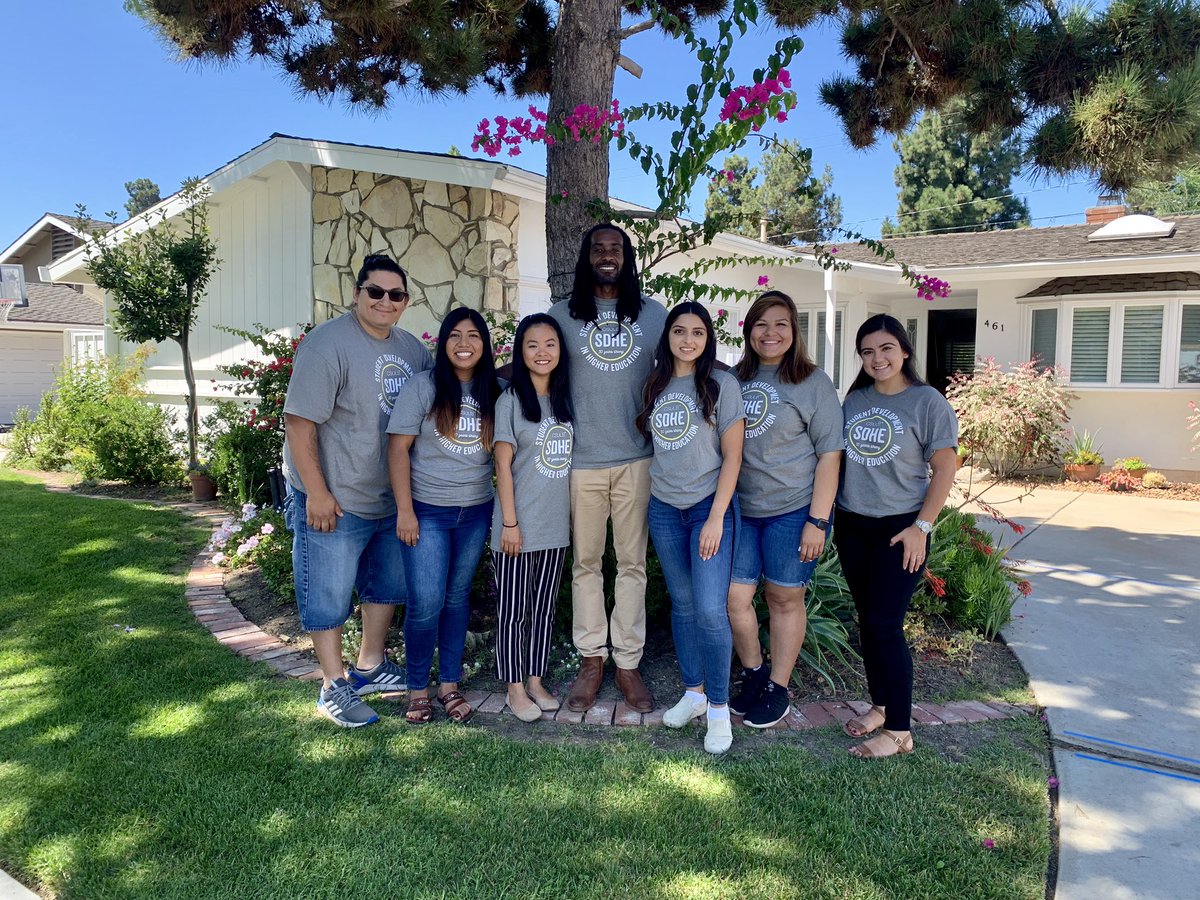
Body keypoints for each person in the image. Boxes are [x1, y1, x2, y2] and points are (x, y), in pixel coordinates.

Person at [282, 254, 431, 728]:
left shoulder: (412, 350)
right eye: (376, 291)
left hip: (390, 498)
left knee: (386, 584)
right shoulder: (327, 346)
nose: (386, 301)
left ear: (405, 301)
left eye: (396, 294)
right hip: (335, 498)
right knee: (327, 594)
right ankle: (332, 686)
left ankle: (369, 666)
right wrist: (317, 493)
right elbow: (298, 422)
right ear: (357, 293)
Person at [547, 223, 668, 714]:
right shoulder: (561, 316)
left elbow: (691, 361)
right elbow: (534, 365)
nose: (606, 255)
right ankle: (592, 659)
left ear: (627, 257)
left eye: (615, 249)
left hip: (638, 459)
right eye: (598, 248)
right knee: (588, 564)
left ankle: (628, 661)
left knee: (633, 565)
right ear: (585, 257)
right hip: (582, 464)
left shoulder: (653, 315)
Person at [835, 313, 958, 759]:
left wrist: (920, 528)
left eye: (886, 348)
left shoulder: (927, 402)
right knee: (869, 624)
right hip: (853, 525)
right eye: (867, 352)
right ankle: (881, 707)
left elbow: (945, 468)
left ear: (904, 350)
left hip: (900, 529)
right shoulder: (854, 401)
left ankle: (900, 731)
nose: (877, 358)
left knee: (886, 625)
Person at [727, 292, 844, 728]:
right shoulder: (734, 378)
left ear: (793, 331)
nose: (770, 333)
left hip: (794, 510)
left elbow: (830, 455)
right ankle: (755, 673)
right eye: (760, 324)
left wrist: (817, 520)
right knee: (734, 599)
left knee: (783, 596)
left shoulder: (813, 382)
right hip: (741, 510)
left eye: (780, 324)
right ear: (748, 331)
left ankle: (778, 686)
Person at [636, 302, 744, 754]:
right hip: (664, 508)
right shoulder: (655, 384)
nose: (687, 340)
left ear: (708, 338)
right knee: (681, 605)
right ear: (668, 337)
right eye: (679, 331)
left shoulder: (721, 384)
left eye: (697, 332)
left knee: (709, 610)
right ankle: (693, 693)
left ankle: (719, 710)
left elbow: (733, 456)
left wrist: (717, 517)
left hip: (708, 509)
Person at [387, 307, 501, 725]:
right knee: (426, 603)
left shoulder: (495, 390)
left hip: (475, 511)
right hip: (427, 511)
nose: (464, 343)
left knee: (456, 599)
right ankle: (418, 690)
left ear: (485, 344)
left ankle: (449, 685)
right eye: (455, 335)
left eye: (473, 335)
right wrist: (405, 511)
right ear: (442, 342)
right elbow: (397, 449)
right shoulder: (425, 386)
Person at [491, 313, 575, 722]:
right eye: (532, 345)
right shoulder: (510, 402)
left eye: (550, 344)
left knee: (542, 611)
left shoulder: (565, 401)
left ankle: (536, 679)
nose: (542, 353)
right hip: (516, 529)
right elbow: (502, 465)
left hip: (555, 528)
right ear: (520, 353)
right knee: (513, 611)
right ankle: (514, 688)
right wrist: (509, 522)